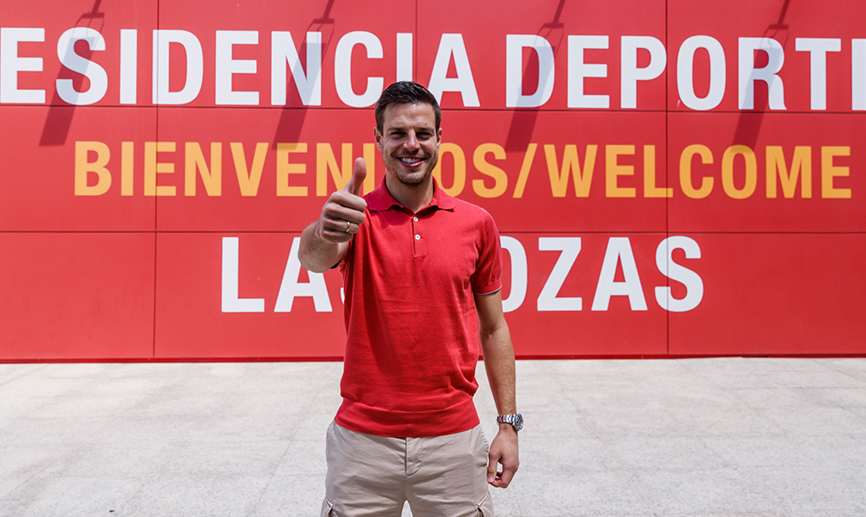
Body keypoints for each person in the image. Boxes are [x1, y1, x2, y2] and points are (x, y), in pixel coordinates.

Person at [299, 81, 521, 517]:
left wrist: (508, 425)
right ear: (379, 138)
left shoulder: (477, 224)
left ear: (440, 138)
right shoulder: (354, 218)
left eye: (423, 133)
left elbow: (494, 327)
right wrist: (322, 230)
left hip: (453, 445)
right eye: (398, 133)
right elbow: (313, 257)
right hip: (363, 445)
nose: (411, 145)